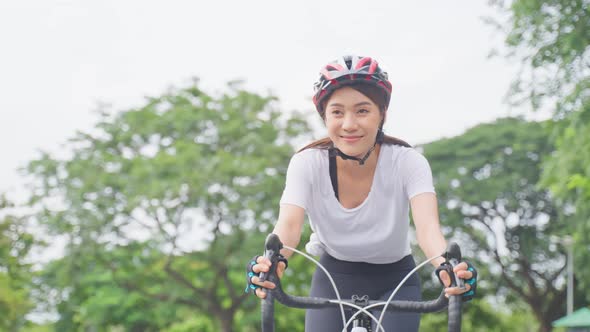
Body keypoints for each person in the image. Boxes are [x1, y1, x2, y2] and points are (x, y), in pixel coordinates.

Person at [245, 55, 478, 331]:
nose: (349, 124)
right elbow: (289, 227)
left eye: (363, 111)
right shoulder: (307, 163)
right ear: (324, 116)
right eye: (337, 112)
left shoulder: (408, 161)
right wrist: (273, 263)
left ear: (382, 114)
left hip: (396, 279)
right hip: (334, 277)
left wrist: (449, 267)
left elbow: (428, 231)